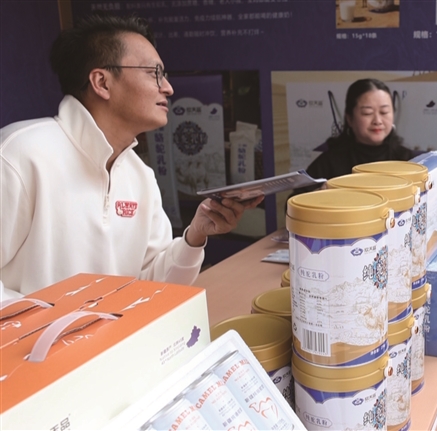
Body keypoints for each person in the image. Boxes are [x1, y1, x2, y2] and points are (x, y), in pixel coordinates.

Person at [0, 15, 262, 299]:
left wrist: (196, 234)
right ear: (102, 82)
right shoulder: (19, 155)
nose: (168, 88)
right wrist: (49, 321)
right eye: (154, 73)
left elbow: (152, 284)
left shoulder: (139, 175)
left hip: (119, 330)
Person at [292, 78, 413, 195]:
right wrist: (317, 195)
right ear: (350, 118)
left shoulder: (408, 160)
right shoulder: (330, 161)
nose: (377, 121)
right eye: (367, 113)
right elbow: (292, 203)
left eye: (384, 112)